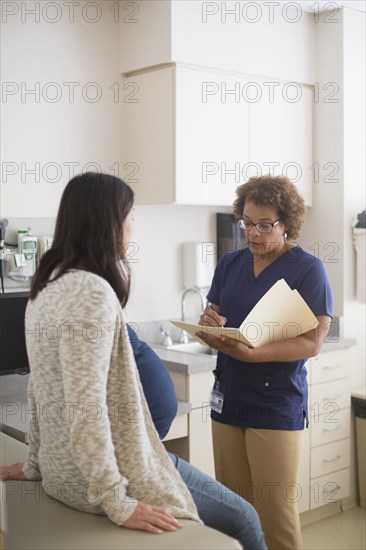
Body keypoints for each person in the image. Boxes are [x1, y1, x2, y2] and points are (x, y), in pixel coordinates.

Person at [1, 172, 267, 550]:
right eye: (130, 220)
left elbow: (39, 385)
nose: (132, 231)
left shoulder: (46, 286)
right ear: (109, 222)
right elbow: (85, 405)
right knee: (245, 519)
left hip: (70, 474)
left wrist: (35, 462)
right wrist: (116, 500)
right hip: (118, 472)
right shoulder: (90, 292)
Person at [196, 174, 333, 550]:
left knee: (276, 518)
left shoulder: (308, 270)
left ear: (286, 224)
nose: (253, 233)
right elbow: (215, 317)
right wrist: (209, 324)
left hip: (275, 404)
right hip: (228, 398)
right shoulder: (229, 264)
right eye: (247, 223)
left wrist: (255, 354)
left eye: (264, 225)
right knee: (232, 512)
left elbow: (312, 342)